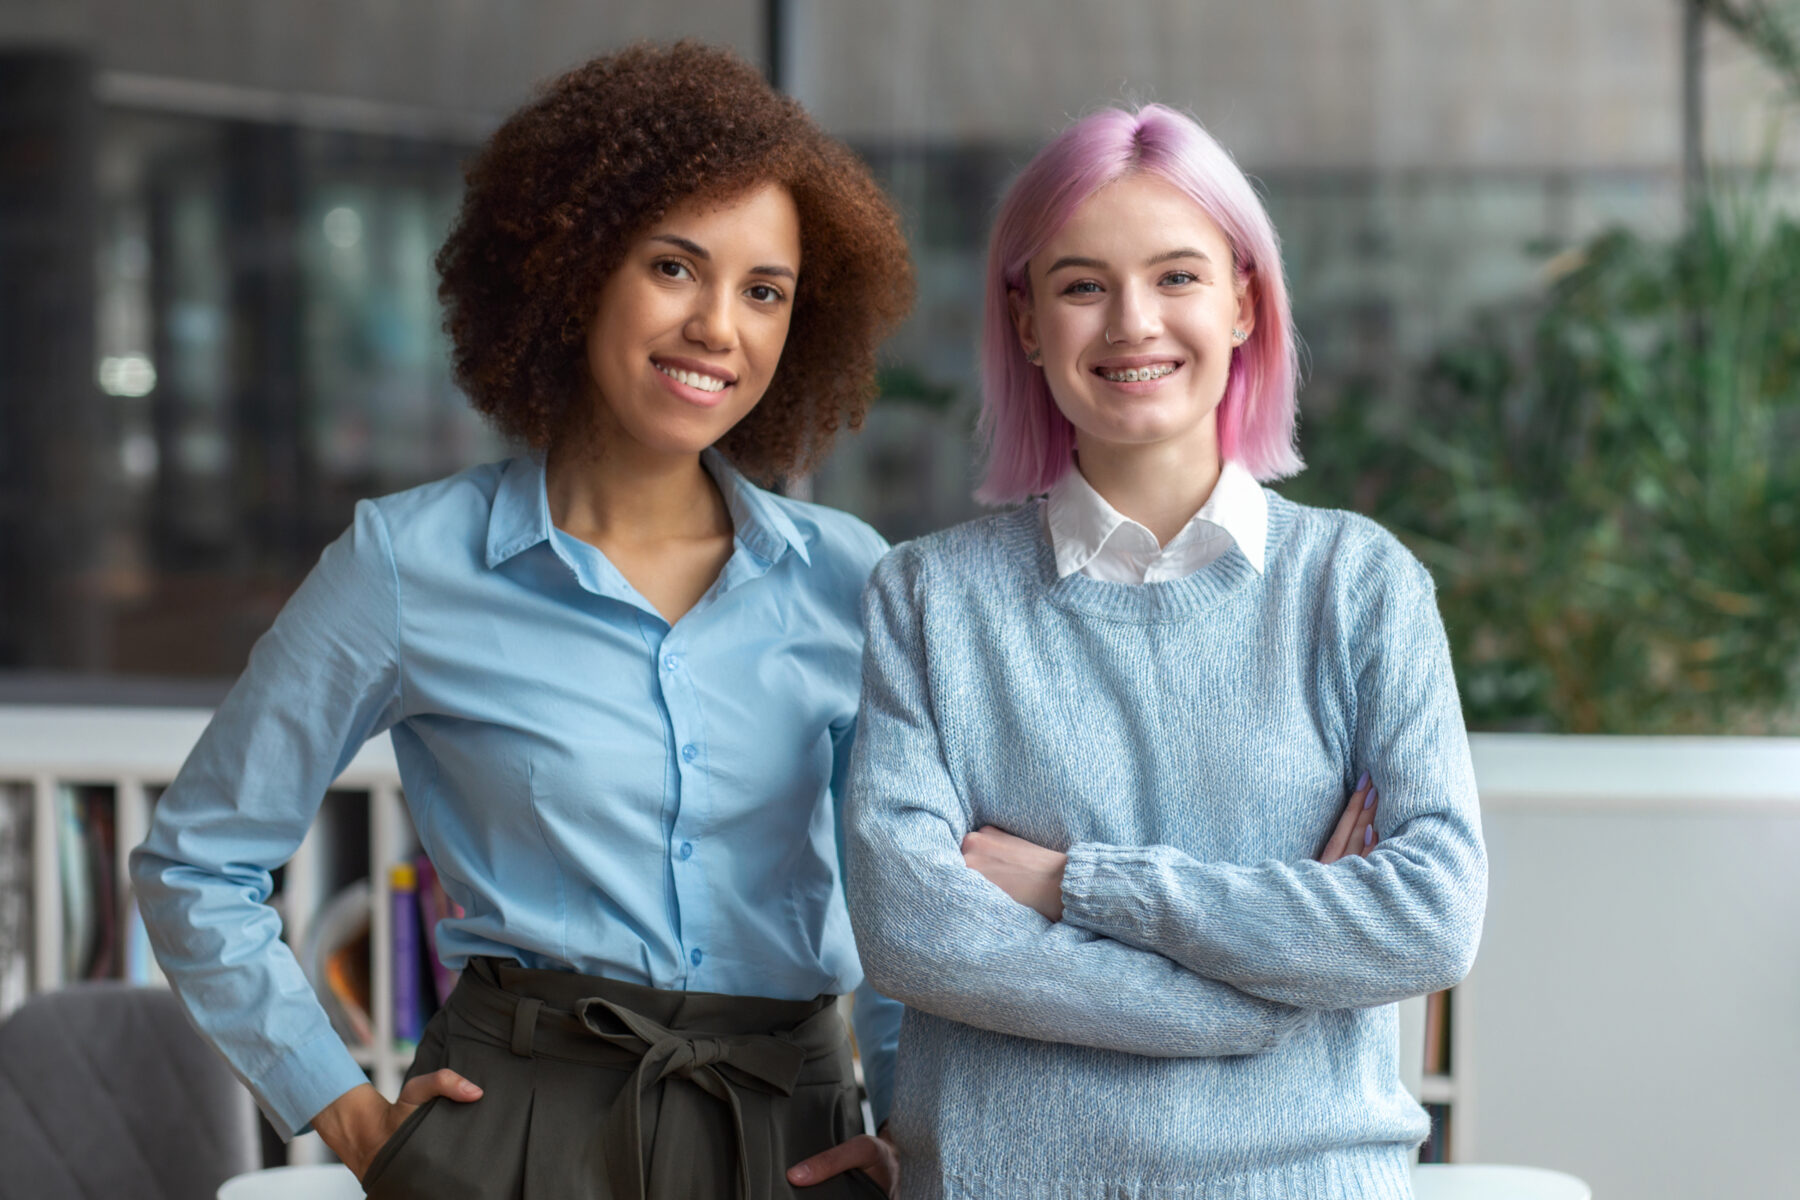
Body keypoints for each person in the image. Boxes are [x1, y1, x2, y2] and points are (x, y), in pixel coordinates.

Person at [131, 42, 912, 1199]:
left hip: (795, 1133)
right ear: (573, 267)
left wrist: (912, 1123)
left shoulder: (852, 578)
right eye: (673, 268)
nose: (718, 327)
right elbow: (196, 862)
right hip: (518, 1136)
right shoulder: (407, 563)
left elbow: (902, 900)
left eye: (765, 292)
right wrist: (343, 1111)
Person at [843, 103, 1487, 1200]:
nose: (1133, 323)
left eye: (1178, 277)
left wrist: (1076, 886)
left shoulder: (1361, 587)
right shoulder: (928, 599)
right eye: (1083, 284)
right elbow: (916, 936)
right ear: (1028, 320)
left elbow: (1430, 917)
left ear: (1243, 301)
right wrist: (1258, 990)